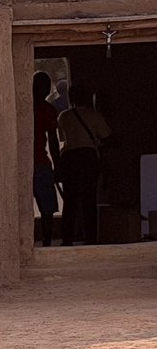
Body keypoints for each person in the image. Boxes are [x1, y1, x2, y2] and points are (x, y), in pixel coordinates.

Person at [57, 85, 110, 246]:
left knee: (70, 199)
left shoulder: (63, 116)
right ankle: (91, 236)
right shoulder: (94, 115)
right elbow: (107, 136)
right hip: (88, 157)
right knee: (89, 197)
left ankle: (67, 237)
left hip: (69, 158)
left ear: (71, 98)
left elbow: (62, 138)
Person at [32, 72, 61, 247]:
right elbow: (53, 141)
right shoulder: (48, 109)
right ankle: (47, 241)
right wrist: (57, 165)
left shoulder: (23, 107)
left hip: (25, 163)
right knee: (47, 208)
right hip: (41, 162)